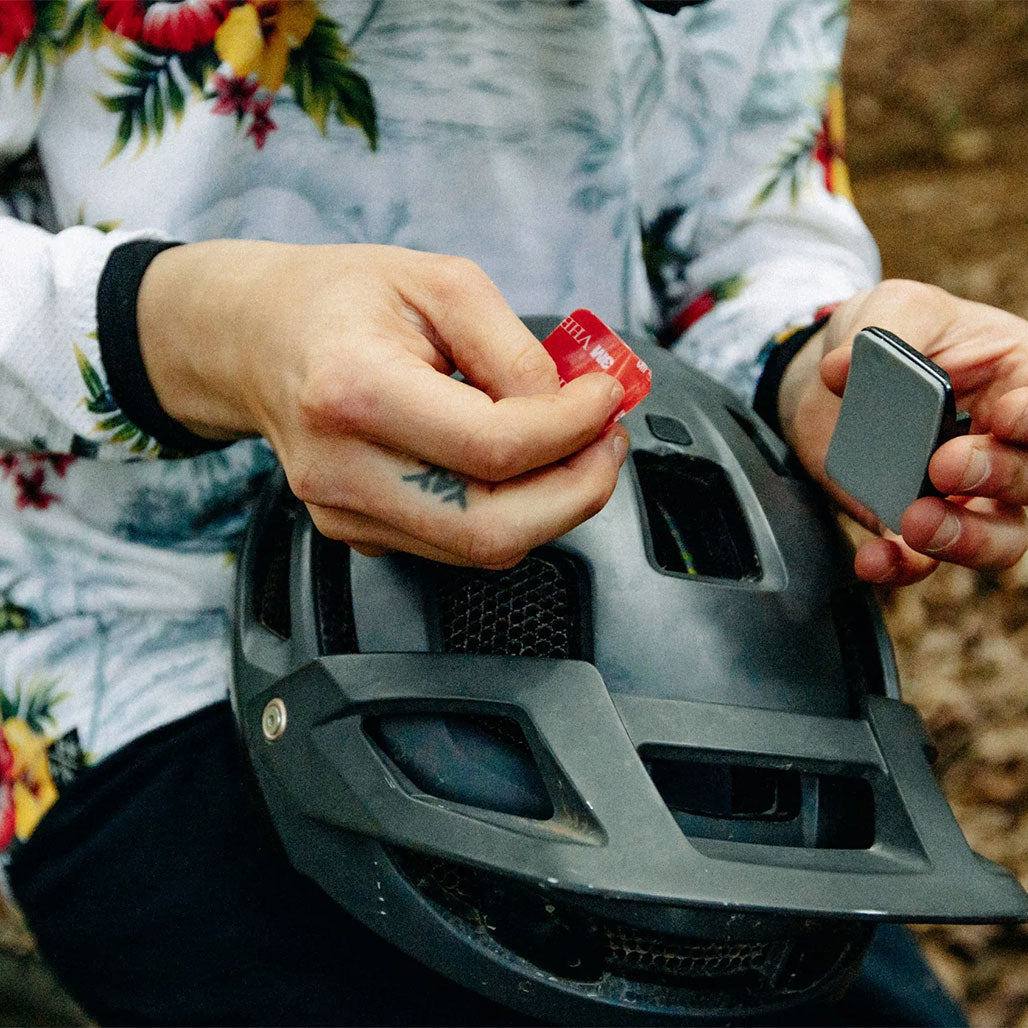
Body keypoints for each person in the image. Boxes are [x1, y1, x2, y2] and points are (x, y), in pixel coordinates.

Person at [0, 0, 1024, 1023]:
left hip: (649, 659)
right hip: (149, 641)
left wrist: (808, 369)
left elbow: (737, 221)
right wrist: (206, 332)